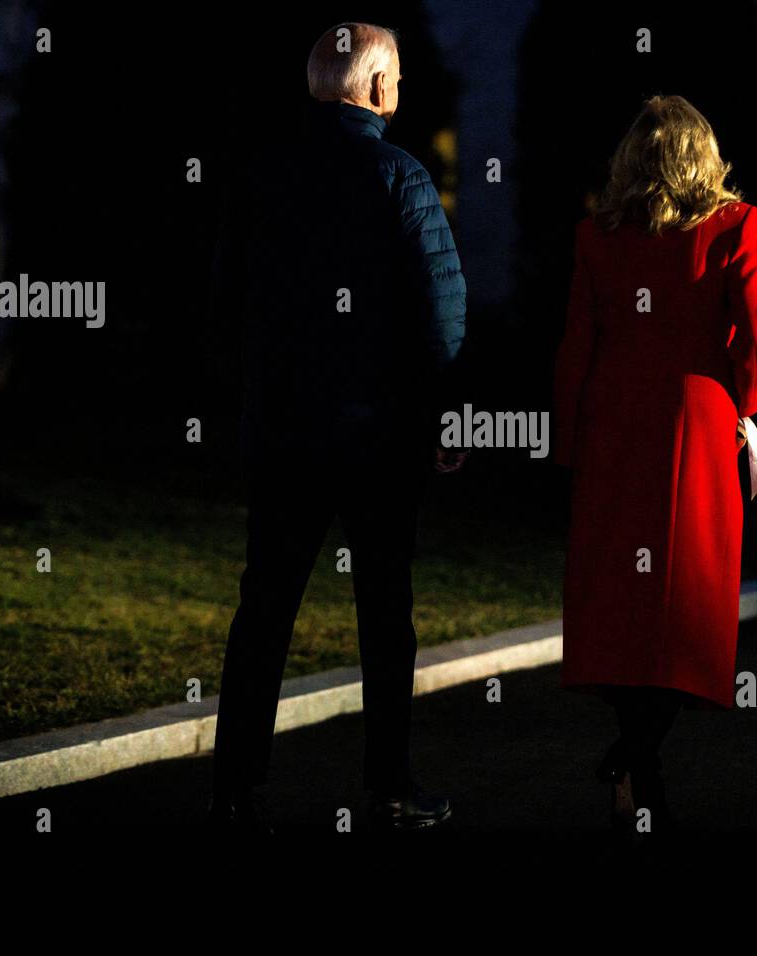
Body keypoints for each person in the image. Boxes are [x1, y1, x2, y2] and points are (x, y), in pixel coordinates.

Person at [207, 21, 467, 834]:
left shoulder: (260, 176)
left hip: (282, 431)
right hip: (377, 437)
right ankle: (388, 788)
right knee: (385, 614)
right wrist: (446, 410)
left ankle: (234, 789)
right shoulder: (403, 178)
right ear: (379, 89)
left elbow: (226, 300)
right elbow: (440, 310)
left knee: (265, 608)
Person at [552, 94, 757, 834]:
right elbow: (756, 334)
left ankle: (631, 761)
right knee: (684, 607)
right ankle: (635, 762)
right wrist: (742, 406)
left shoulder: (596, 235)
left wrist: (568, 439)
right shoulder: (733, 225)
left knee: (623, 601)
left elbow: (575, 347)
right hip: (696, 421)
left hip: (615, 423)